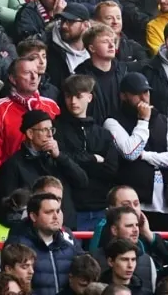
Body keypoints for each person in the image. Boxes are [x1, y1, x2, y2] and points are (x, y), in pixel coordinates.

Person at [102, 74, 168, 231]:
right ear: (123, 96)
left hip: (164, 204)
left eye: (146, 92)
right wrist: (143, 121)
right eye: (137, 93)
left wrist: (146, 156)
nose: (144, 97)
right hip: (135, 204)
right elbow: (131, 152)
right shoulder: (113, 121)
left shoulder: (162, 120)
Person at [0, 110, 90, 230]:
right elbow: (7, 207)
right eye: (44, 130)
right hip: (33, 232)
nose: (50, 134)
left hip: (66, 229)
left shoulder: (58, 157)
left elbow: (82, 181)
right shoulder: (13, 165)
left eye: (51, 130)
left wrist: (60, 157)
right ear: (30, 133)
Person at [54, 75, 120, 228]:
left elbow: (111, 168)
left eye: (78, 96)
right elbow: (60, 160)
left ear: (89, 97)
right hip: (71, 207)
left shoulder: (102, 133)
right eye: (69, 96)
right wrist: (93, 159)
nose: (73, 101)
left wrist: (76, 161)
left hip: (100, 206)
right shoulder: (57, 129)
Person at [0, 58, 60, 185]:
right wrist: (3, 187)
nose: (34, 77)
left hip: (51, 184)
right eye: (27, 73)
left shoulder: (51, 106)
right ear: (13, 79)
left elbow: (62, 149)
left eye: (36, 72)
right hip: (14, 185)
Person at [2, 194, 77, 295]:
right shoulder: (18, 246)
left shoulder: (69, 246)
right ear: (33, 216)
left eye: (58, 211)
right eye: (49, 212)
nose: (56, 217)